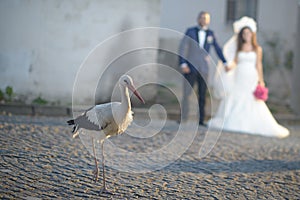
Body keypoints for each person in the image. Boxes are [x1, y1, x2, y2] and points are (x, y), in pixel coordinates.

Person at [208, 17, 289, 138]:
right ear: (241, 35)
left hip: (251, 76)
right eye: (244, 33)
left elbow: (258, 65)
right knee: (238, 95)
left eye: (248, 33)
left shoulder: (257, 49)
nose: (246, 35)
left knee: (251, 98)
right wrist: (229, 67)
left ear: (252, 34)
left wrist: (261, 80)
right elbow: (235, 61)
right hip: (239, 75)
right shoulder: (238, 48)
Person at [179, 11, 228, 126]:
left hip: (204, 69)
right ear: (198, 19)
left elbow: (217, 48)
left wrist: (225, 62)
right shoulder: (190, 31)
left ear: (208, 20)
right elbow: (182, 47)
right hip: (190, 67)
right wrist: (183, 63)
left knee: (202, 95)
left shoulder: (211, 33)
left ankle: (201, 120)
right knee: (186, 93)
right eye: (201, 17)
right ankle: (183, 117)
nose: (203, 20)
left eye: (205, 18)